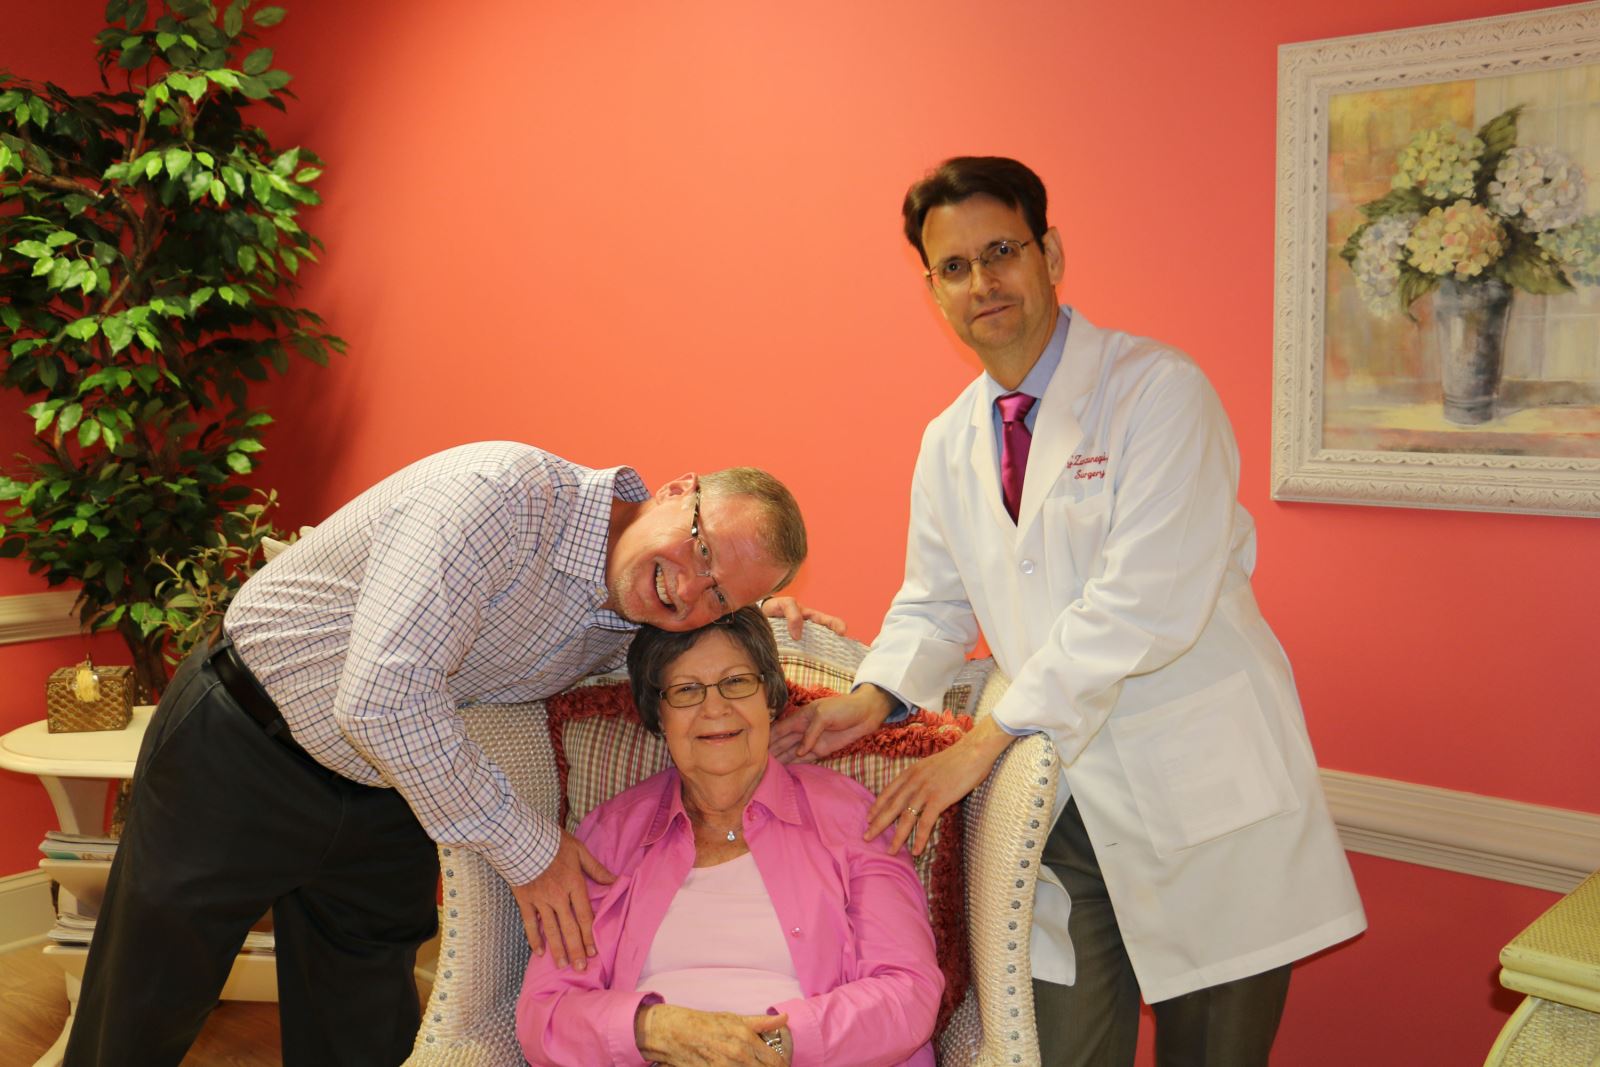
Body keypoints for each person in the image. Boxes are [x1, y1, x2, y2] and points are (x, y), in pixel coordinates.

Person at [771, 158, 1366, 1066]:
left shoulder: (1158, 392)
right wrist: (873, 695)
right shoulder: (949, 441)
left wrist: (981, 741)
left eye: (1001, 251)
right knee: (1063, 1053)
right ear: (932, 290)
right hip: (1057, 800)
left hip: (1198, 790)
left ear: (1049, 252)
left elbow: (1142, 605)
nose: (984, 283)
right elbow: (934, 599)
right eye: (955, 267)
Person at [67, 441, 838, 1067]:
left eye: (720, 594)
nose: (689, 593)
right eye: (701, 550)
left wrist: (754, 621)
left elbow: (696, 658)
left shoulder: (645, 607)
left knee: (364, 1039)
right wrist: (532, 849)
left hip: (395, 795)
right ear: (676, 488)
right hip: (240, 747)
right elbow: (379, 697)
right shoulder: (498, 496)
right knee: (139, 1013)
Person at [517, 606, 942, 1067]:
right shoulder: (611, 835)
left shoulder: (849, 814)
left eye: (737, 682)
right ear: (658, 715)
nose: (715, 708)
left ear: (771, 698)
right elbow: (546, 1013)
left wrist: (770, 1046)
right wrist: (655, 1031)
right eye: (686, 690)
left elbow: (908, 992)